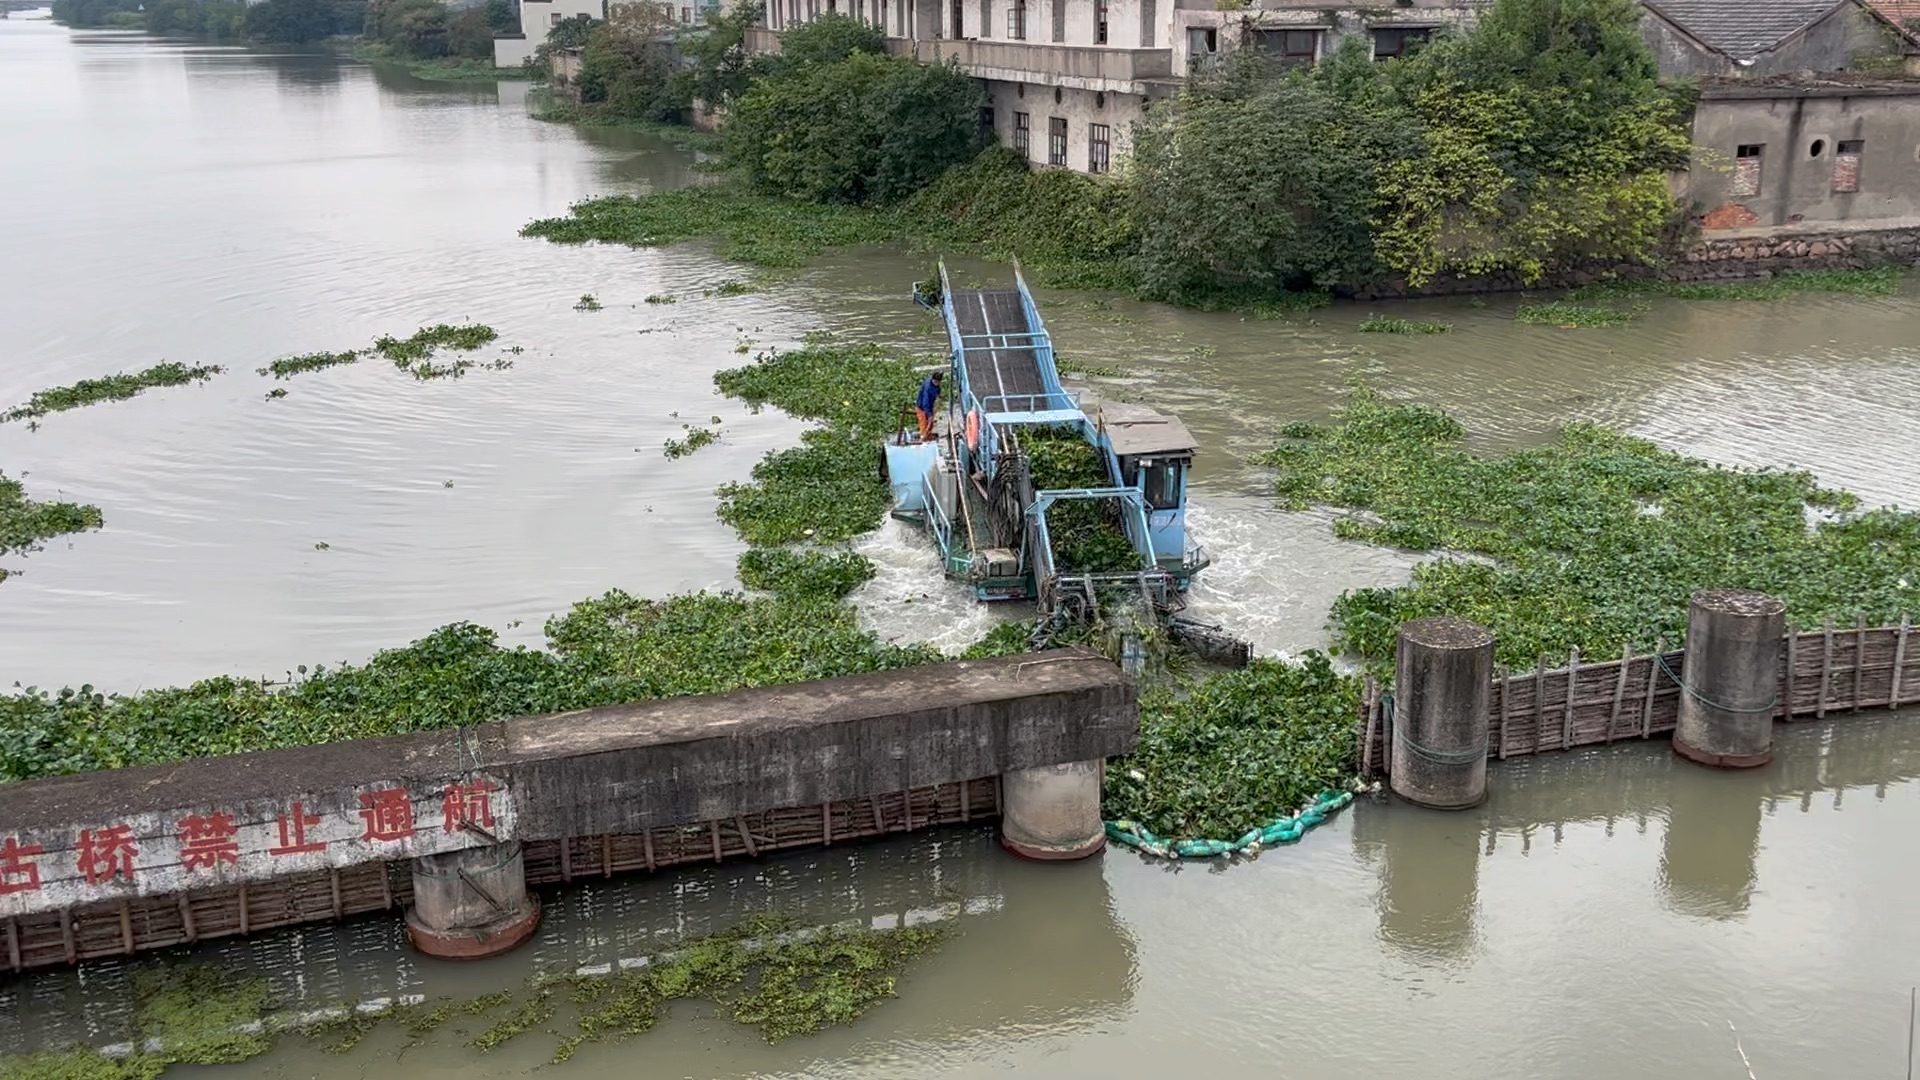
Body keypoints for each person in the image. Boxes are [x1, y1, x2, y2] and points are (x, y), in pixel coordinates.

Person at [915, 371, 943, 443]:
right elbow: (925, 403)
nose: (937, 384)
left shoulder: (936, 385)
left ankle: (928, 436)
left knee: (930, 425)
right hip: (922, 408)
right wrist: (929, 414)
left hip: (930, 406)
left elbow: (938, 390)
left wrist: (939, 395)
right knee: (924, 424)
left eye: (938, 382)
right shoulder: (928, 388)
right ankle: (923, 438)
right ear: (933, 380)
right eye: (936, 382)